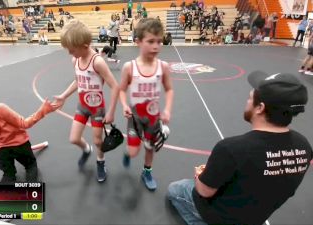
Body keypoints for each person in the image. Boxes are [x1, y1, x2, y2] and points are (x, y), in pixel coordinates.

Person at [167, 71, 312, 224]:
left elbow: (204, 191)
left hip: (221, 215)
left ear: (260, 108)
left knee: (176, 189)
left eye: (250, 98)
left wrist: (200, 176)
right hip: (256, 216)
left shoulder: (231, 148)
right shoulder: (304, 146)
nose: (247, 101)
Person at [55, 20, 120, 183]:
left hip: (97, 109)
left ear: (85, 45)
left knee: (98, 140)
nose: (70, 53)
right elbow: (78, 80)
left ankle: (100, 162)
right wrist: (63, 95)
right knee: (74, 139)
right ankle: (86, 149)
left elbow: (115, 86)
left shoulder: (97, 62)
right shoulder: (75, 60)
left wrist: (111, 112)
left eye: (71, 50)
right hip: (82, 106)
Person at [119, 18, 173, 191]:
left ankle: (147, 172)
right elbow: (121, 89)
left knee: (150, 148)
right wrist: (124, 105)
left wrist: (167, 110)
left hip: (153, 117)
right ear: (138, 42)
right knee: (134, 151)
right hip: (135, 117)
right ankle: (128, 153)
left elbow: (169, 90)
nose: (156, 46)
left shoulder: (163, 67)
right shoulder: (129, 67)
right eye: (150, 41)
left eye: (159, 41)